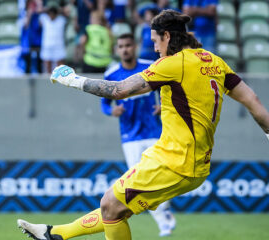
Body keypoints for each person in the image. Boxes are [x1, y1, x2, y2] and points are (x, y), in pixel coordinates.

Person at [18, 10, 269, 240]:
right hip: (185, 160)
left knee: (110, 205)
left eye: (156, 41)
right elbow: (252, 100)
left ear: (167, 36)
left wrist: (72, 80)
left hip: (176, 161)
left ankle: (54, 235)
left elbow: (118, 90)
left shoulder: (172, 64)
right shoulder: (214, 61)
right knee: (114, 208)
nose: (155, 47)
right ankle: (54, 234)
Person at [101, 33, 175, 237]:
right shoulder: (112, 74)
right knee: (140, 180)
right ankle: (164, 219)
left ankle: (164, 216)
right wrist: (111, 111)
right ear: (117, 50)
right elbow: (104, 103)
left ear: (134, 46)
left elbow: (168, 87)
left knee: (160, 175)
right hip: (130, 136)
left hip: (153, 131)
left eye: (128, 45)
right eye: (121, 46)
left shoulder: (149, 66)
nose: (125, 49)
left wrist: (163, 104)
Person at [39, 1, 66, 73]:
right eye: (50, 12)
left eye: (53, 11)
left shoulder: (61, 20)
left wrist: (59, 10)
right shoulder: (44, 18)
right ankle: (48, 83)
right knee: (48, 69)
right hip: (47, 46)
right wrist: (46, 9)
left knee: (60, 70)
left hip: (58, 46)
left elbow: (66, 13)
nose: (52, 14)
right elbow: (38, 11)